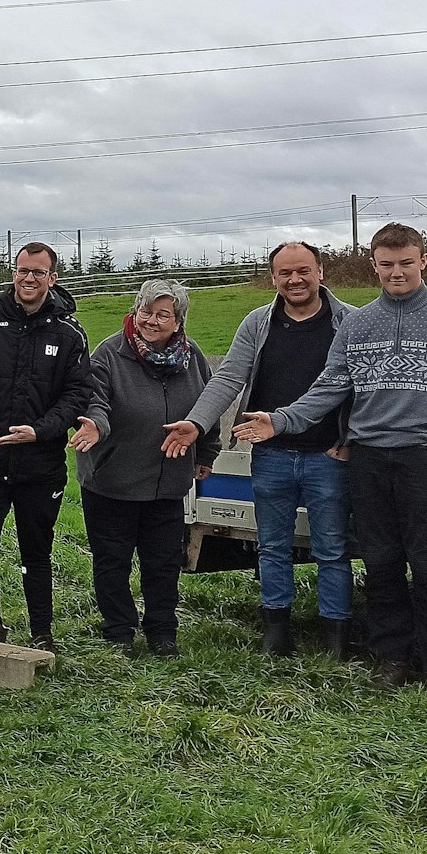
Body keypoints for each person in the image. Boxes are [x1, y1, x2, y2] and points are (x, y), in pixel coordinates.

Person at [236, 223, 427, 696]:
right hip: (368, 461)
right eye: (387, 263)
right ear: (374, 264)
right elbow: (330, 387)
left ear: (423, 261)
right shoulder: (356, 323)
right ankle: (391, 658)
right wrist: (282, 420)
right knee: (381, 563)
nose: (397, 272)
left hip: (426, 462)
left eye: (406, 262)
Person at [161, 241, 357, 659]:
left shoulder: (349, 322)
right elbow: (228, 378)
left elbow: (367, 389)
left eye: (303, 270)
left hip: (328, 456)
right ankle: (276, 633)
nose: (295, 280)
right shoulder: (259, 323)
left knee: (332, 550)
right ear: (274, 278)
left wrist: (349, 440)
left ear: (321, 272)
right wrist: (196, 424)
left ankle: (336, 638)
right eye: (285, 273)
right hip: (270, 454)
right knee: (272, 546)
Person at [70, 279, 219, 658]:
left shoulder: (192, 356)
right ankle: (119, 631)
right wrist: (94, 424)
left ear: (178, 321)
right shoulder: (109, 354)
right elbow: (95, 402)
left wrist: (206, 452)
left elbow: (208, 406)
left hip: (167, 480)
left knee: (164, 561)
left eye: (162, 314)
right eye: (145, 311)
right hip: (112, 478)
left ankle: (162, 632)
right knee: (112, 561)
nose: (151, 321)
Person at [0, 241, 90, 651]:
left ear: (53, 278)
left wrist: (41, 431)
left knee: (36, 552)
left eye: (38, 273)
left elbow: (77, 394)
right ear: (13, 272)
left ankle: (42, 634)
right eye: (22, 270)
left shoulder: (68, 332)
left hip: (40, 464)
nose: (28, 279)